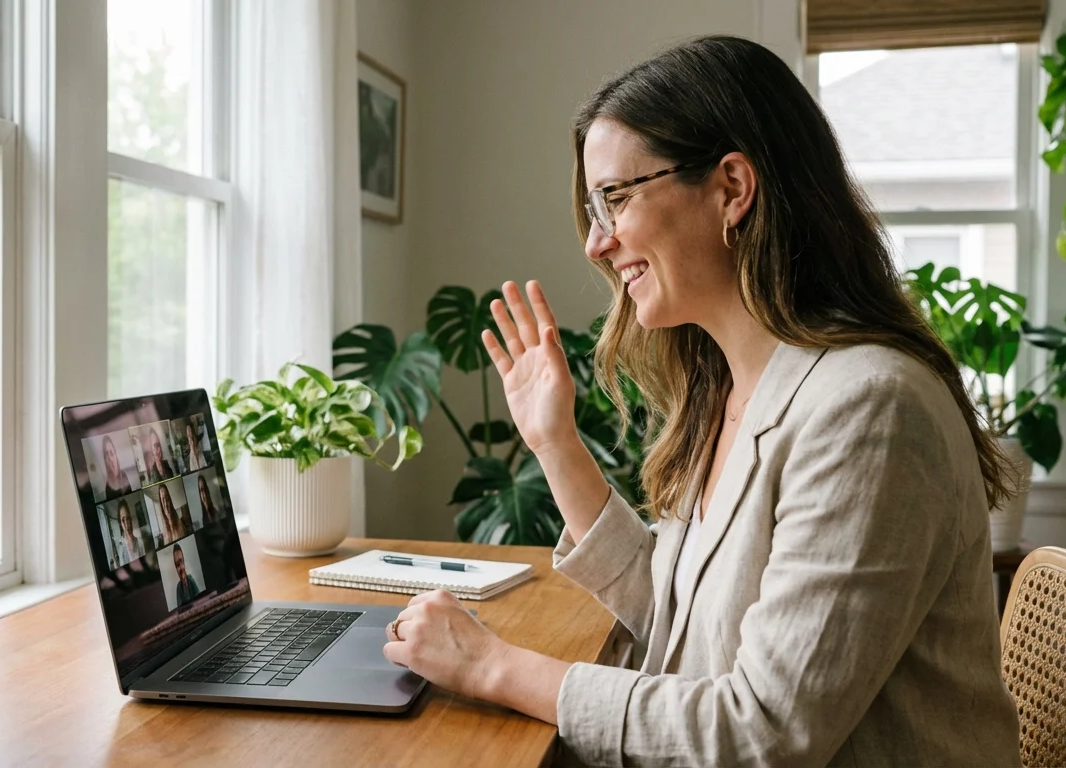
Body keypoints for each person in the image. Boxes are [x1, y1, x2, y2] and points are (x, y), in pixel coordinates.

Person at [379, 36, 1020, 766]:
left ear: (732, 189)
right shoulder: (731, 386)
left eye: (614, 199)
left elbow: (764, 732)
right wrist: (554, 442)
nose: (595, 242)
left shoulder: (869, 409)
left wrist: (494, 668)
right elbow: (676, 619)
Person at [114, 498, 144, 565]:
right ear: (120, 523)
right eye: (123, 520)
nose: (127, 524)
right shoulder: (119, 547)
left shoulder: (140, 542)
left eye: (128, 518)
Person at [172, 543, 200, 608]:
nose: (181, 568)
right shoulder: (179, 587)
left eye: (181, 562)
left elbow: (199, 601)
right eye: (177, 565)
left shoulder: (191, 580)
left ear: (184, 562)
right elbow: (180, 609)